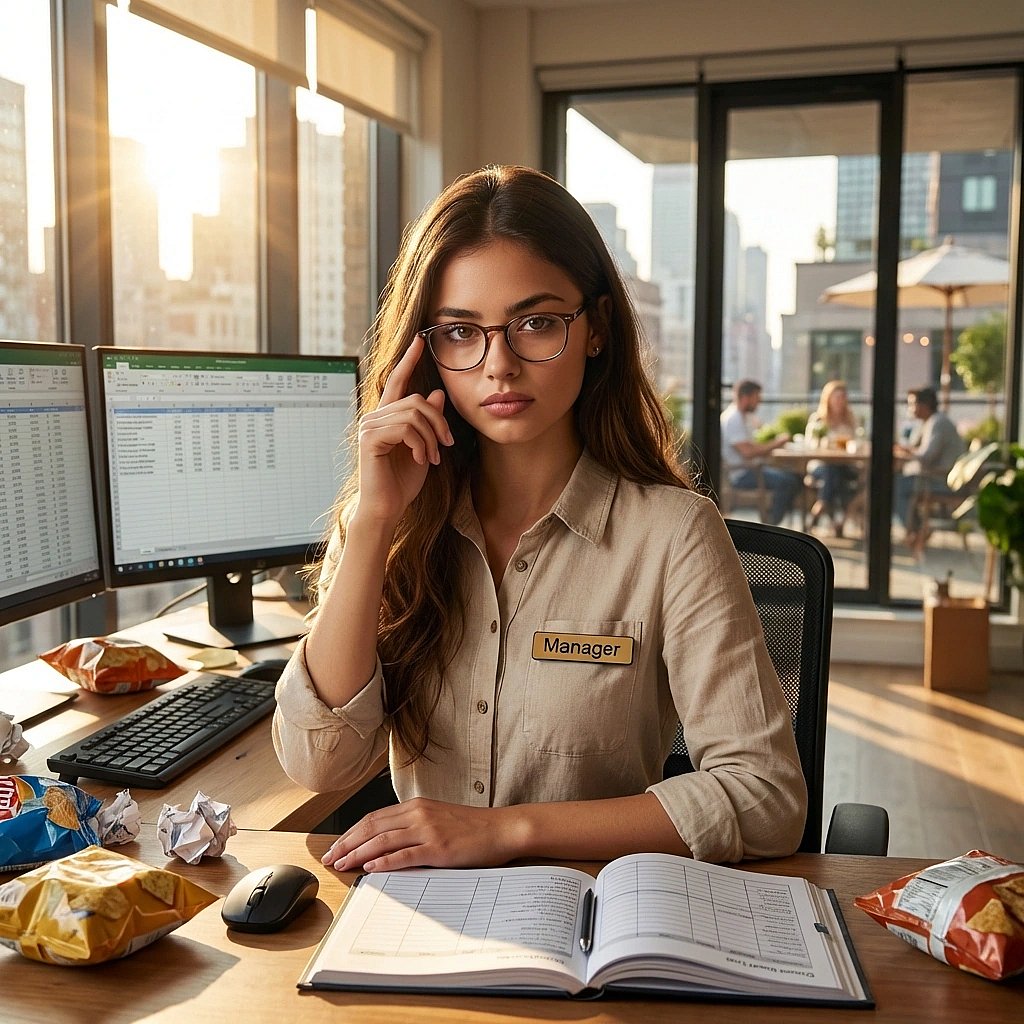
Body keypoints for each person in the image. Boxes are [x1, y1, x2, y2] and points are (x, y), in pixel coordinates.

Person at [272, 165, 806, 875]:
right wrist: (374, 520)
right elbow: (320, 762)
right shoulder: (385, 522)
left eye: (535, 323)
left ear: (595, 329)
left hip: (596, 913)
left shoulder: (674, 535)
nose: (499, 365)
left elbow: (766, 798)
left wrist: (507, 831)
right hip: (423, 917)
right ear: (425, 350)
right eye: (460, 332)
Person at [720, 380, 802, 526]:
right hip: (743, 474)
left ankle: (775, 521)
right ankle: (771, 525)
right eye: (757, 397)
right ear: (746, 397)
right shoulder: (733, 419)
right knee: (787, 482)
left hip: (753, 469)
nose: (759, 401)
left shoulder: (744, 417)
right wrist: (776, 443)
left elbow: (751, 445)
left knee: (797, 476)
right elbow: (747, 452)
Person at [893, 386, 966, 548]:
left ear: (924, 405)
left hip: (942, 480)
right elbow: (915, 446)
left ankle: (915, 531)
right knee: (897, 481)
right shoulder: (928, 422)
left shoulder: (938, 423)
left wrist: (907, 452)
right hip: (935, 476)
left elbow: (926, 456)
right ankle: (917, 530)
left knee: (896, 485)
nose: (910, 408)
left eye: (912, 404)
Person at [805, 380, 861, 537]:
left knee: (838, 474)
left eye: (843, 397)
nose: (840, 401)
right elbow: (810, 446)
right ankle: (839, 521)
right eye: (836, 397)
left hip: (845, 464)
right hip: (820, 465)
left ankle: (820, 509)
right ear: (828, 398)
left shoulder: (851, 419)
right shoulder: (818, 420)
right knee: (832, 473)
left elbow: (857, 442)